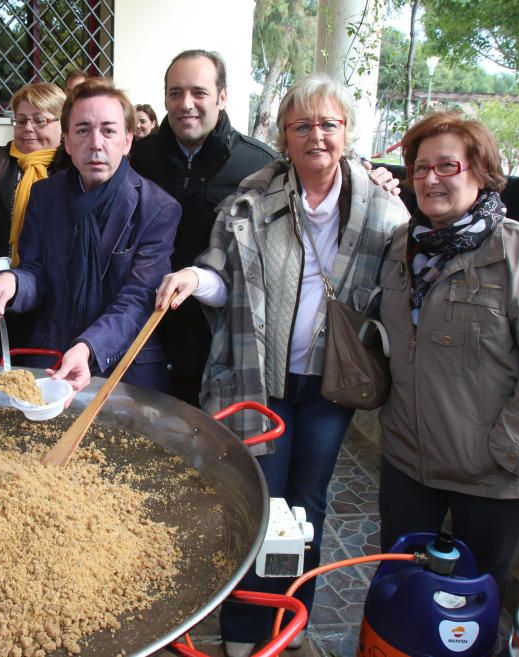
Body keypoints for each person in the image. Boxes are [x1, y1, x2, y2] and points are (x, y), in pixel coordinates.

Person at [156, 74, 408, 655]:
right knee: (260, 500)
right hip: (260, 377)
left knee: (307, 504)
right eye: (302, 126)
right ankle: (246, 627)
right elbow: (224, 281)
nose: (315, 136)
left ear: (348, 133)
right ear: (283, 137)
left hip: (330, 385)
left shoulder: (383, 212)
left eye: (329, 124)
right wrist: (196, 278)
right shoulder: (248, 200)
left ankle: (290, 624)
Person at [377, 112, 519, 600]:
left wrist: (506, 448)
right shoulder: (401, 247)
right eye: (420, 168)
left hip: (495, 472)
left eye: (446, 166)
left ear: (481, 172)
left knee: (473, 596)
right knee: (400, 582)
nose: (429, 179)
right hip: (411, 458)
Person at [0, 78, 180, 395]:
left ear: (127, 140)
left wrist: (88, 347)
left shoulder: (157, 209)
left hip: (124, 370)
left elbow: (138, 299)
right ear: (67, 141)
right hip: (50, 361)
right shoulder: (45, 196)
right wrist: (12, 283)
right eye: (83, 130)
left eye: (108, 130)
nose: (95, 143)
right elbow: (36, 273)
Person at [130, 50, 278, 405]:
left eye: (199, 92)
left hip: (223, 334)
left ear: (222, 96)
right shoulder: (138, 158)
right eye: (176, 93)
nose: (186, 104)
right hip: (147, 326)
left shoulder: (260, 165)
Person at [0, 82, 69, 363]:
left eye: (40, 120)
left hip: (54, 299)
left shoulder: (72, 170)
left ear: (62, 124)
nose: (28, 128)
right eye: (21, 120)